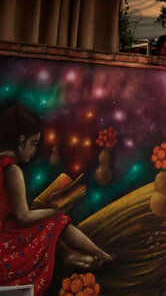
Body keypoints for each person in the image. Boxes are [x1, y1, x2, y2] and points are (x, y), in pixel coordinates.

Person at [0, 105, 113, 293]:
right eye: (34, 143)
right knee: (56, 219)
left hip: (6, 232)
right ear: (21, 142)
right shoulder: (11, 170)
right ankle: (101, 255)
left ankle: (70, 254)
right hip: (6, 246)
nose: (35, 150)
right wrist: (57, 209)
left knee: (45, 220)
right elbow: (22, 217)